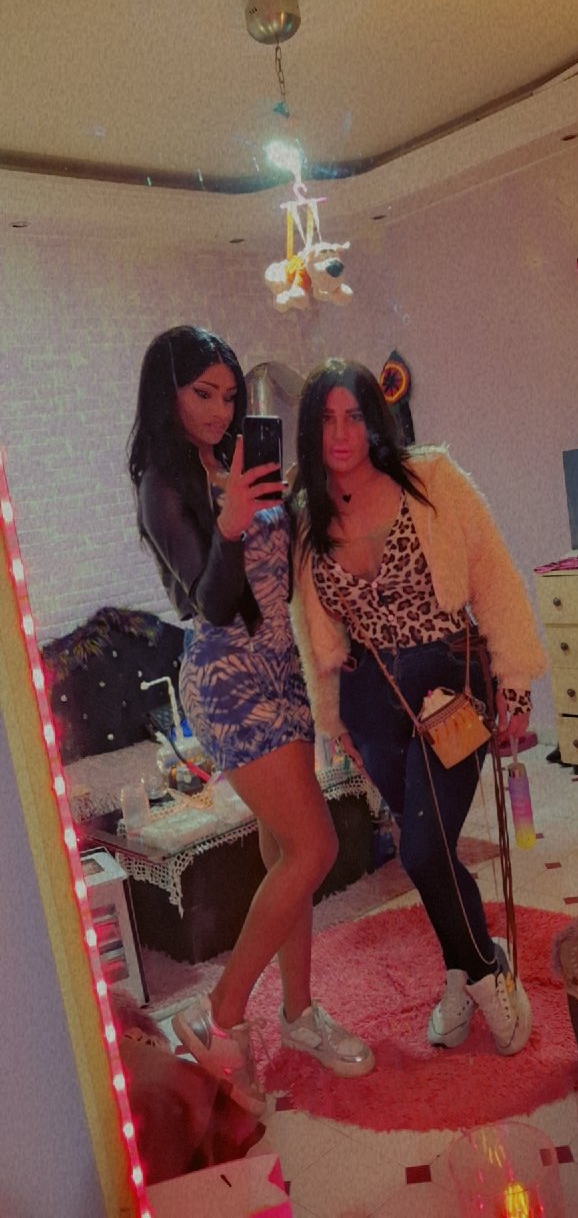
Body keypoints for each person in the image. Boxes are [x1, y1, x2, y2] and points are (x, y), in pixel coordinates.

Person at [127, 328, 374, 1114]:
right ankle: (219, 1014)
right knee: (316, 845)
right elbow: (211, 602)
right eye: (202, 392)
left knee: (284, 849)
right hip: (226, 677)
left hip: (281, 666)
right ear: (166, 393)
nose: (217, 409)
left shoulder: (237, 461)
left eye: (228, 395)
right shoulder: (162, 484)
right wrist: (231, 521)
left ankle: (297, 1014)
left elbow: (288, 569)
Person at [290, 359, 547, 1056]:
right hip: (372, 696)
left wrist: (515, 683)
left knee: (423, 848)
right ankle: (463, 968)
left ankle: (486, 972)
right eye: (326, 419)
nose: (341, 433)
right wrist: (332, 717)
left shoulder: (432, 478)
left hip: (449, 680)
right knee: (427, 850)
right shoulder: (307, 517)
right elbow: (313, 630)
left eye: (353, 416)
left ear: (374, 420)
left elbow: (493, 575)